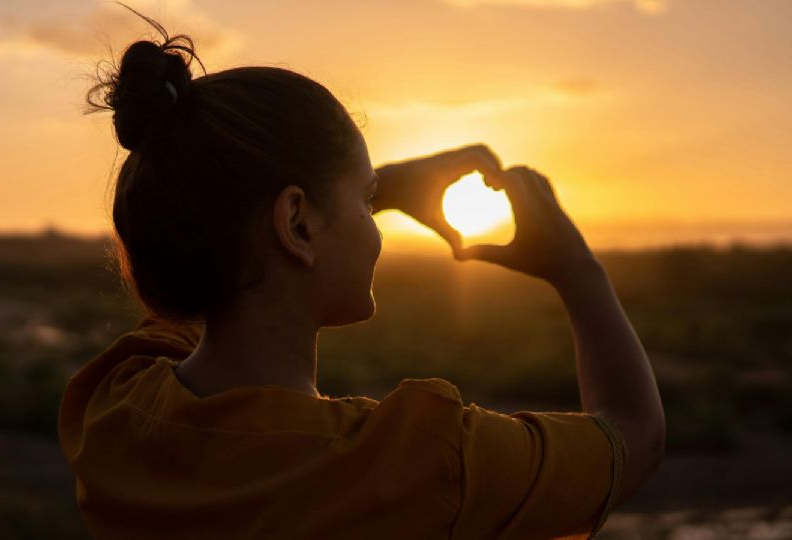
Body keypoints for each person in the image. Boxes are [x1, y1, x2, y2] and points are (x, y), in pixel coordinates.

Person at [58, 12, 665, 540]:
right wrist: (576, 269)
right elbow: (633, 436)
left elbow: (207, 253)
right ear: (296, 223)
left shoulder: (116, 409)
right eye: (366, 201)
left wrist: (363, 190)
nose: (375, 226)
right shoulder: (418, 463)